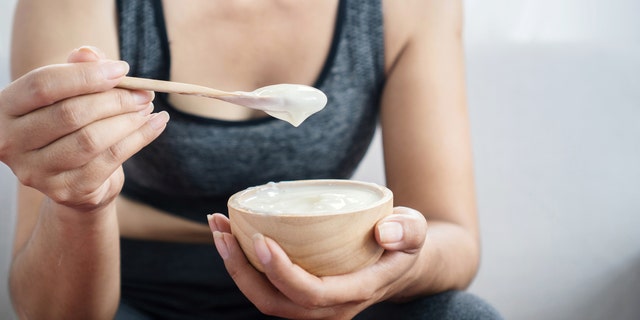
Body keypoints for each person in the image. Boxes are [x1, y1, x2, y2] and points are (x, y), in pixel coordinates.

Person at [1, 0, 503, 319]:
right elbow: (45, 311)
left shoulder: (410, 8)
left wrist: (396, 272)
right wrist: (81, 205)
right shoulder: (72, 6)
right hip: (137, 288)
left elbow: (451, 236)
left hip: (334, 279)